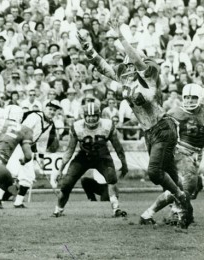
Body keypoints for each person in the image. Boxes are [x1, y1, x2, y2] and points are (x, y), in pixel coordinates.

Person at [76, 20, 193, 229]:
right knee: (171, 175)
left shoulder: (147, 74)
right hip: (150, 132)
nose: (129, 67)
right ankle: (186, 211)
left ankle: (181, 197)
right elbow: (101, 65)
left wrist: (121, 37)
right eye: (127, 65)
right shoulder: (123, 79)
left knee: (155, 172)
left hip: (162, 127)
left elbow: (143, 88)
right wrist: (87, 47)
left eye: (132, 64)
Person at [140, 84, 204, 226]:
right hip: (181, 152)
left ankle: (151, 214)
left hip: (198, 154)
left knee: (184, 188)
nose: (189, 101)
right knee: (187, 186)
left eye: (193, 98)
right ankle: (177, 214)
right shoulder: (175, 113)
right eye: (186, 97)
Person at [52, 102, 128, 217]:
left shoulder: (107, 125)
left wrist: (124, 164)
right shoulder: (76, 127)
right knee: (66, 184)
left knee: (111, 178)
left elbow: (119, 148)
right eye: (89, 116)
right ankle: (58, 210)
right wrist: (60, 170)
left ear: (98, 116)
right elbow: (69, 150)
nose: (91, 119)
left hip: (102, 156)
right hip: (84, 156)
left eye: (94, 116)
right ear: (84, 116)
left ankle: (116, 209)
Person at [5, 100, 61, 208]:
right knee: (11, 173)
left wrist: (41, 157)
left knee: (28, 176)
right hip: (19, 145)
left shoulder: (50, 124)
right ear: (45, 108)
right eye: (50, 109)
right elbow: (22, 130)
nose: (52, 112)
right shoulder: (35, 116)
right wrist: (25, 148)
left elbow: (42, 142)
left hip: (27, 148)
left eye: (54, 110)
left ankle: (17, 202)